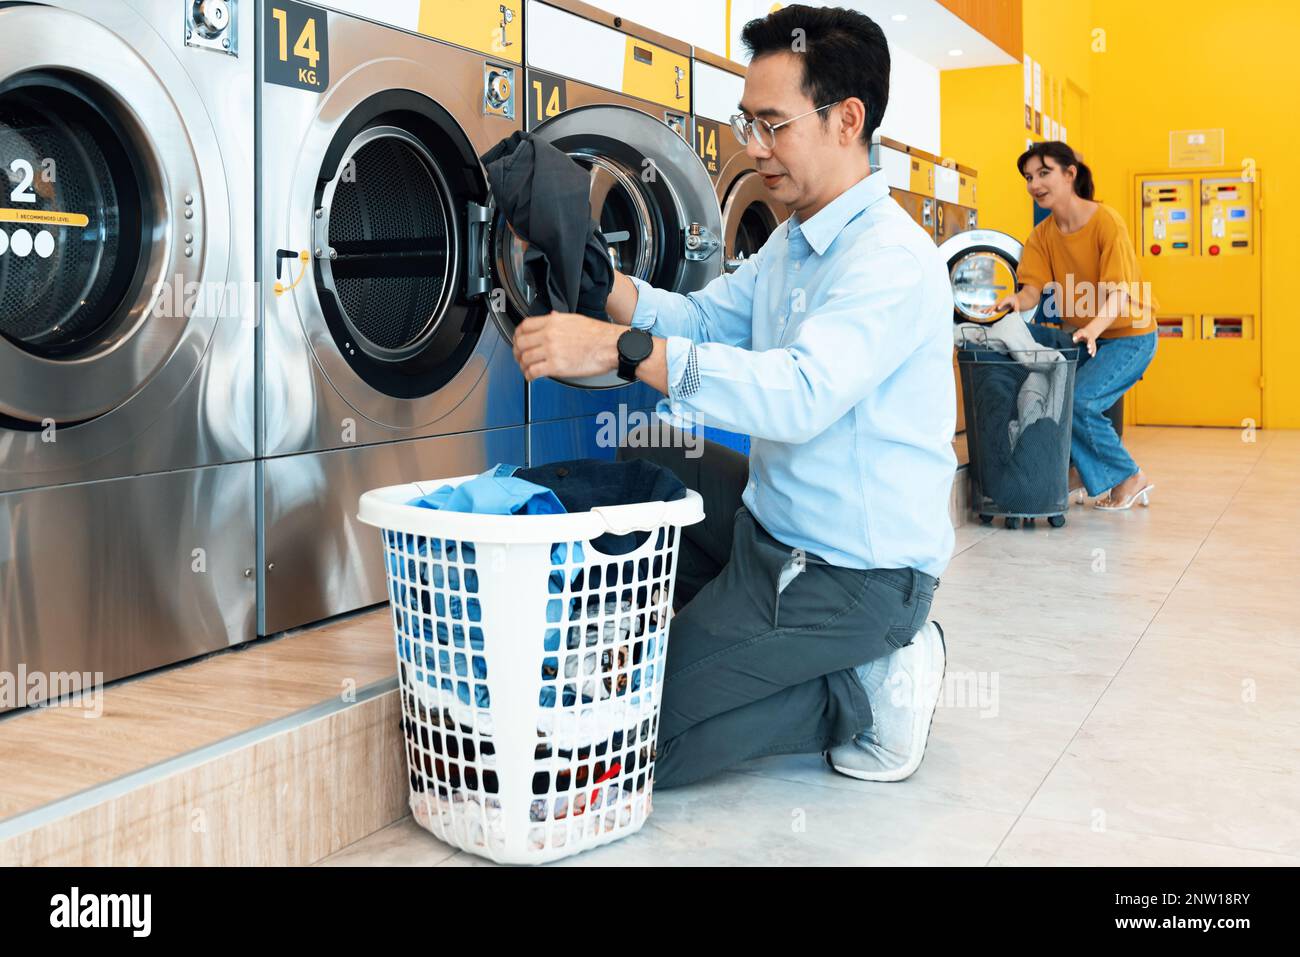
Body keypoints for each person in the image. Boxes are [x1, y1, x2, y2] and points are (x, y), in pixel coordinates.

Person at [508, 6, 956, 787]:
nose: (753, 149)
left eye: (773, 125)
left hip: (851, 576)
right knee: (642, 451)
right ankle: (729, 636)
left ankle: (862, 688)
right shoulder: (792, 238)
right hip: (772, 523)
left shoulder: (890, 259)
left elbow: (799, 396)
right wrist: (602, 285)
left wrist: (620, 347)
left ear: (847, 119)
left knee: (631, 746)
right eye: (746, 122)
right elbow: (705, 321)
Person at [991, 141, 1157, 510]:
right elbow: (1032, 288)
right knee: (1062, 402)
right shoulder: (1042, 234)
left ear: (1070, 174)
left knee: (1080, 402)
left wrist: (1093, 330)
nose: (1035, 183)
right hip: (1085, 336)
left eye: (1044, 173)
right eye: (1029, 177)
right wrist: (1016, 301)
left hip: (1131, 335)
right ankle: (1082, 473)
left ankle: (1130, 476)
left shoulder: (1106, 222)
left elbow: (1119, 291)